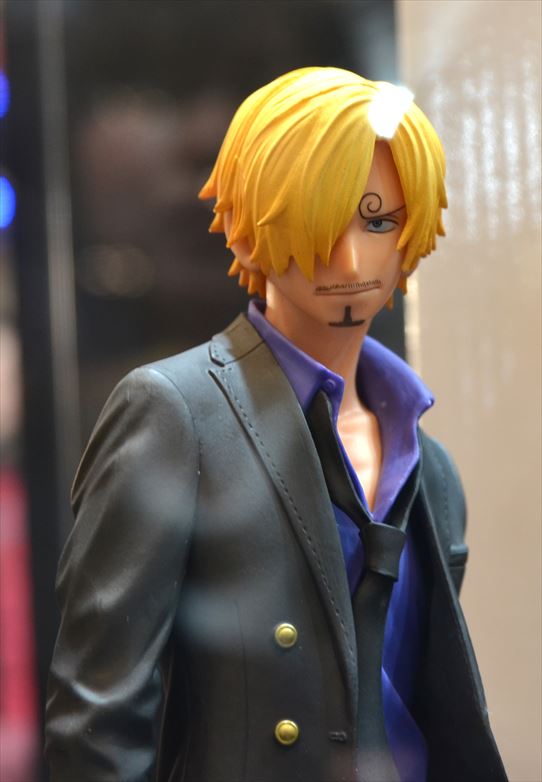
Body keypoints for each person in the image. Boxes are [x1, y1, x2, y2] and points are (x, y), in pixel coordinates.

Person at [45, 67, 507, 782]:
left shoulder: (430, 469)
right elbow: (98, 719)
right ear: (247, 225)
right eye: (318, 220)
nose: (350, 258)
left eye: (378, 220)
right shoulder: (175, 413)